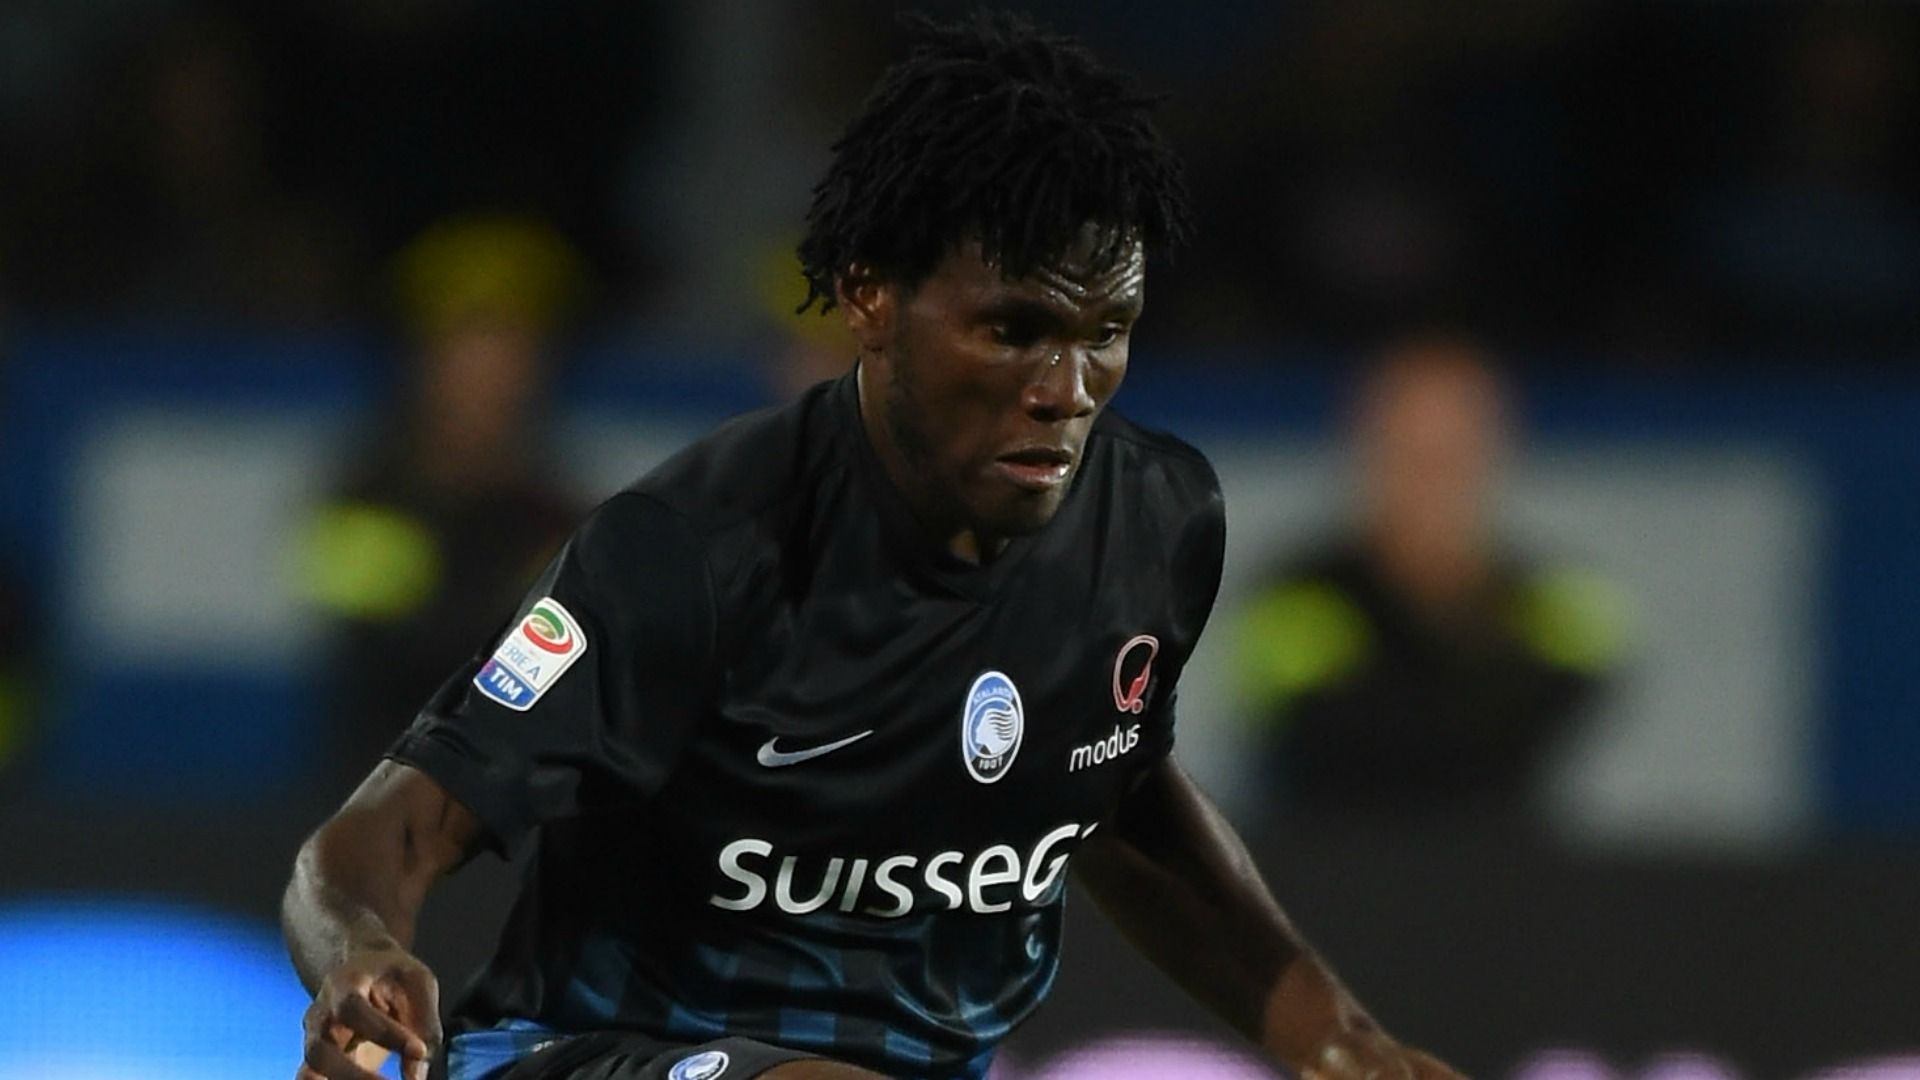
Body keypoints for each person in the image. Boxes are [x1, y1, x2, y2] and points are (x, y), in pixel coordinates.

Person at [283, 15, 1463, 1080]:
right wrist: (362, 953)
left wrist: (1334, 1039)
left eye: (1108, 335)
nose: (1066, 391)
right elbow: (390, 828)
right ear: (869, 298)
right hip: (595, 1058)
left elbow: (1113, 795)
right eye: (1014, 330)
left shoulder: (1155, 525)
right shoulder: (688, 552)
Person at [1232, 337, 1626, 821]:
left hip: (1506, 885)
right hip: (1325, 883)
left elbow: (1537, 727)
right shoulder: (1292, 600)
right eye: (1410, 452)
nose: (1432, 478)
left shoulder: (1560, 605)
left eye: (1454, 453)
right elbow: (1341, 740)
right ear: (1366, 448)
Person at [297, 214, 588, 794]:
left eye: (520, 344)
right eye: (472, 338)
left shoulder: (564, 513)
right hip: (370, 812)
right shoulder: (362, 495)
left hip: (511, 829)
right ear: (425, 356)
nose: (496, 373)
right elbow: (396, 654)